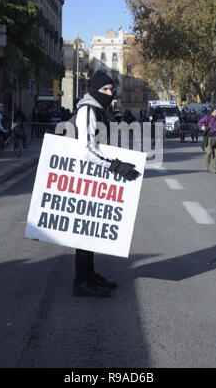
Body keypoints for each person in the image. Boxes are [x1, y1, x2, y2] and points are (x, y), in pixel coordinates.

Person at [73, 70, 140, 298]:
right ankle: (81, 281)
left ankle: (89, 275)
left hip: (94, 177)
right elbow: (88, 150)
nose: (110, 93)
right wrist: (115, 166)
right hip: (84, 178)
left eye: (112, 89)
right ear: (94, 90)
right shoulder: (88, 111)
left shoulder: (99, 110)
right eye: (105, 90)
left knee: (91, 231)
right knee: (84, 233)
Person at [198, 107, 216, 174]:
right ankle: (206, 166)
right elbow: (200, 122)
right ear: (212, 111)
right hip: (209, 137)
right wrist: (202, 127)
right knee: (209, 152)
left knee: (215, 153)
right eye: (215, 112)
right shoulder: (208, 117)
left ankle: (214, 169)